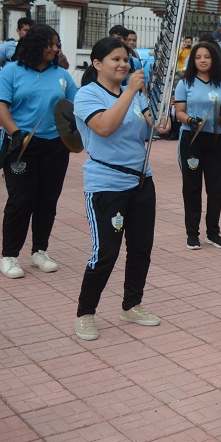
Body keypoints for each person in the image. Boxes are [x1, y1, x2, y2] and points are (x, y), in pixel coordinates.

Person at [72, 37, 166, 341]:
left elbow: (152, 126)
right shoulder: (87, 95)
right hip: (107, 185)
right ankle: (85, 313)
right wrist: (129, 92)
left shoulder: (137, 96)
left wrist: (159, 111)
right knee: (106, 253)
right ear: (98, 64)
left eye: (126, 60)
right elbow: (104, 127)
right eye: (116, 59)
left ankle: (131, 304)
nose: (123, 64)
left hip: (141, 181)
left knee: (141, 249)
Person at [0, 24, 77, 279]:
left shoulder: (62, 74)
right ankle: (9, 256)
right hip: (22, 145)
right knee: (21, 200)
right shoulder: (11, 72)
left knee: (47, 200)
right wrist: (16, 133)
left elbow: (75, 105)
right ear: (34, 45)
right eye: (49, 44)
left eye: (56, 44)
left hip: (55, 146)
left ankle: (40, 250)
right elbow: (0, 106)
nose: (54, 49)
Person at [174, 41, 221, 250]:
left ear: (214, 59)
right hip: (192, 140)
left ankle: (213, 233)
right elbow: (179, 112)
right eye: (198, 57)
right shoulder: (185, 83)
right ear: (193, 60)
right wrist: (190, 120)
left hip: (215, 142)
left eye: (207, 56)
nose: (202, 60)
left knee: (215, 189)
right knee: (192, 188)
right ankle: (192, 234)